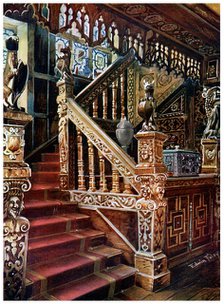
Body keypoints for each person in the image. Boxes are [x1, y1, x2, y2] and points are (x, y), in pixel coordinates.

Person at [3, 34, 28, 111]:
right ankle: (4, 101)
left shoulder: (17, 67)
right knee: (8, 91)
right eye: (12, 56)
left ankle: (8, 102)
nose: (14, 58)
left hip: (8, 90)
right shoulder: (4, 68)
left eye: (15, 56)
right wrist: (13, 72)